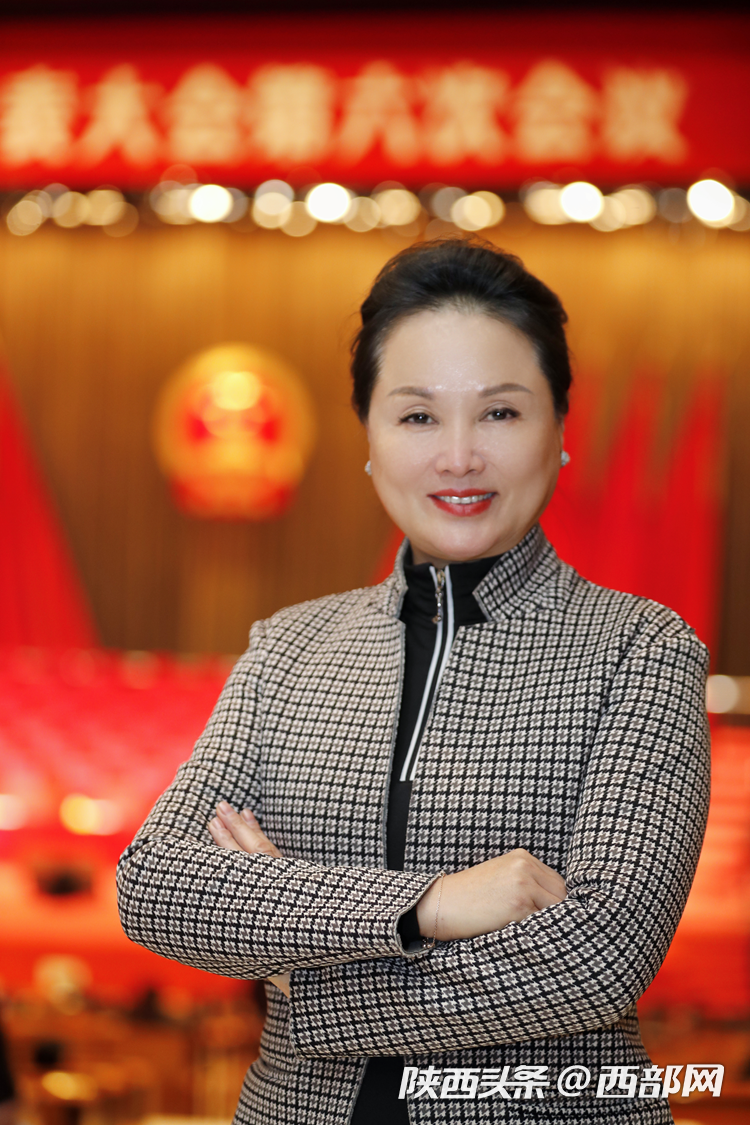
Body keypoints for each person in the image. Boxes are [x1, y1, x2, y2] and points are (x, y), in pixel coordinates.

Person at [117, 238, 710, 1124]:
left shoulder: (641, 648)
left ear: (559, 430)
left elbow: (598, 957)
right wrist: (431, 904)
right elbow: (158, 885)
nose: (459, 456)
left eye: (500, 412)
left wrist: (305, 973)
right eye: (419, 416)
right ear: (369, 437)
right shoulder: (287, 649)